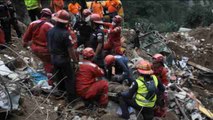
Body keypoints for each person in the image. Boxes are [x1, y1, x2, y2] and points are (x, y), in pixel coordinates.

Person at [47, 10, 78, 102]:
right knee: (69, 78)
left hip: (54, 58)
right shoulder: (65, 33)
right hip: (63, 59)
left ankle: (61, 94)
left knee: (59, 77)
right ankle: (71, 99)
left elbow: (48, 45)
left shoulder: (50, 31)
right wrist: (75, 61)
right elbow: (70, 49)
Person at [22, 8, 54, 84]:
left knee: (45, 62)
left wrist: (25, 46)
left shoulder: (32, 24)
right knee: (49, 64)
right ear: (49, 17)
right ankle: (51, 81)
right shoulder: (50, 26)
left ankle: (48, 74)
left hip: (35, 50)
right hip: (46, 50)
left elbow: (25, 38)